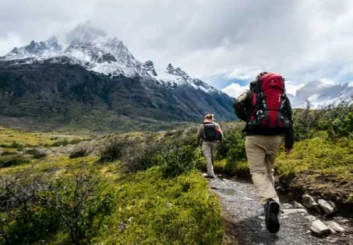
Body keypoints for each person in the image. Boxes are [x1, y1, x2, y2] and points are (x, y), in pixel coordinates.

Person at [234, 72, 294, 233]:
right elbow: (289, 117)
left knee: (257, 171)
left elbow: (237, 103)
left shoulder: (250, 92)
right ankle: (271, 202)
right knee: (269, 169)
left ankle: (270, 201)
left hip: (255, 136)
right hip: (276, 137)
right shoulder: (282, 95)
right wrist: (289, 143)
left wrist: (247, 118)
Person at [196, 114, 223, 178]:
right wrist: (221, 142)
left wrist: (198, 143)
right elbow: (221, 134)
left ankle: (210, 173)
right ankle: (211, 172)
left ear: (205, 118)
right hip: (215, 142)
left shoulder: (202, 125)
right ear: (212, 118)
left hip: (205, 142)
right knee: (213, 157)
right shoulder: (216, 125)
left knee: (208, 157)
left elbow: (198, 135)